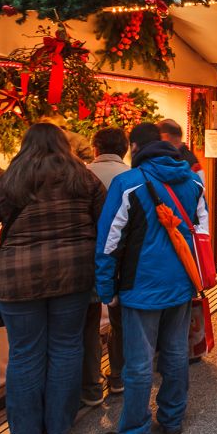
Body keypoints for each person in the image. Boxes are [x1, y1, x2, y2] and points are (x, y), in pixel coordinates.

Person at [0, 123, 105, 434]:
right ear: (62, 145)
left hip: (18, 282)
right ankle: (58, 428)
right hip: (74, 277)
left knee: (25, 353)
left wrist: (0, 258)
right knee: (67, 349)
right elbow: (107, 226)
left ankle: (26, 433)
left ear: (25, 146)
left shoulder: (6, 182)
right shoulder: (85, 178)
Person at [96, 122, 208, 434]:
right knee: (175, 353)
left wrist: (106, 289)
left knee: (139, 363)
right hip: (182, 285)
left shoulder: (127, 183)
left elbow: (109, 243)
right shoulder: (193, 182)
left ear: (134, 148)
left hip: (140, 287)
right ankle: (172, 419)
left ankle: (135, 430)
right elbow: (202, 235)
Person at [83, 128, 131, 404]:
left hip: (85, 257)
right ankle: (118, 376)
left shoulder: (81, 174)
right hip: (121, 261)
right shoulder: (131, 176)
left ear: (95, 147)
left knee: (87, 323)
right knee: (119, 321)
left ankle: (89, 386)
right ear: (125, 148)